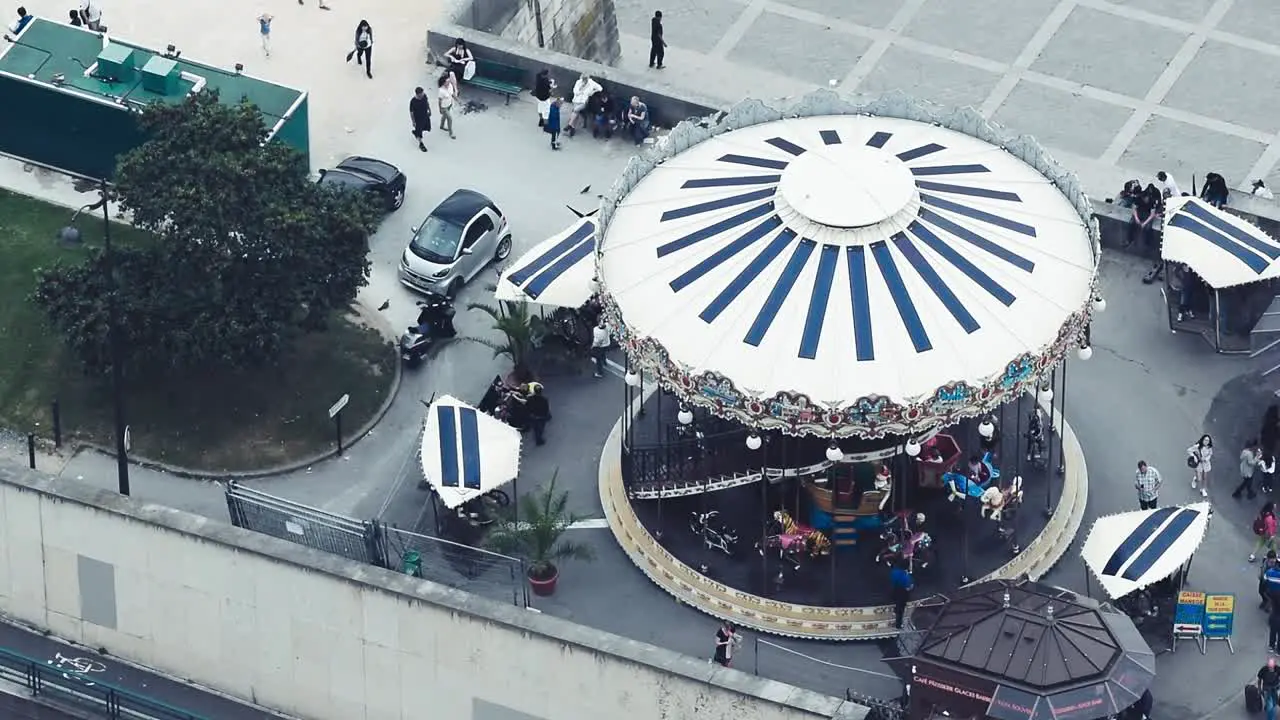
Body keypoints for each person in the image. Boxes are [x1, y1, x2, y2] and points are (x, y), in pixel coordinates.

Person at [566, 73, 602, 138]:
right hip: (576, 100)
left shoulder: (592, 83)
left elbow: (600, 88)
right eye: (583, 79)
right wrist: (581, 89)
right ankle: (572, 128)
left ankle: (570, 124)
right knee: (576, 113)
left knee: (575, 110)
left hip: (583, 101)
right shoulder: (578, 82)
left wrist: (593, 92)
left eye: (585, 79)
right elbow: (575, 91)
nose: (584, 80)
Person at [1188, 434, 1213, 498]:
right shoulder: (1197, 446)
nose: (1206, 441)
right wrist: (1194, 457)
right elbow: (1189, 450)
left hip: (1205, 464)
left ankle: (1203, 489)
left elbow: (1210, 454)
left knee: (1205, 477)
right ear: (1202, 440)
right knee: (1199, 478)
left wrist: (1206, 459)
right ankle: (1195, 480)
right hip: (1199, 464)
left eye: (1208, 440)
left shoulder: (1209, 447)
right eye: (1205, 440)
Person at [890, 561, 913, 629]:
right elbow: (909, 587)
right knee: (901, 609)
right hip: (903, 593)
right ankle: (898, 625)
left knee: (896, 601)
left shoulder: (894, 572)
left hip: (895, 589)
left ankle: (895, 609)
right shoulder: (906, 576)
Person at [435, 72, 457, 140]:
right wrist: (440, 109)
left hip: (449, 104)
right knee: (449, 118)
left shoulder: (450, 86)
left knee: (444, 116)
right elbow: (439, 100)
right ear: (444, 83)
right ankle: (451, 133)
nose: (449, 81)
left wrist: (457, 99)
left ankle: (441, 126)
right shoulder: (441, 90)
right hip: (444, 107)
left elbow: (452, 94)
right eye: (447, 81)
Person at [409, 87, 432, 152]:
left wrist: (429, 110)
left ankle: (416, 132)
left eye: (423, 93)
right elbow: (411, 112)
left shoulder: (424, 96)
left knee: (427, 127)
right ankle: (421, 143)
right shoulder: (413, 101)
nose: (423, 94)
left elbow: (427, 103)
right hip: (418, 118)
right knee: (419, 132)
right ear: (418, 94)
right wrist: (413, 121)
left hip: (425, 115)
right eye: (421, 94)